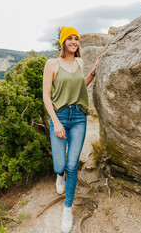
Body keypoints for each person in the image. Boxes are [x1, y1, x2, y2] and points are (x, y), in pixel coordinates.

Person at [43, 26, 101, 233]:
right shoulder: (52, 64)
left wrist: (92, 73)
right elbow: (46, 96)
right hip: (59, 116)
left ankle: (67, 209)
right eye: (70, 38)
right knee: (60, 165)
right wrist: (56, 123)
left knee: (73, 165)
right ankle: (59, 174)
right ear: (63, 42)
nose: (74, 41)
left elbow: (78, 88)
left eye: (76, 38)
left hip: (78, 117)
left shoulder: (80, 62)